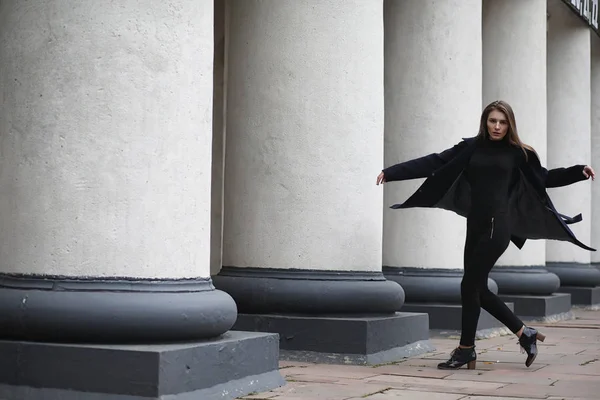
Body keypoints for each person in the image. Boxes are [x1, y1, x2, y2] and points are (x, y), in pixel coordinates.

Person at [376, 100, 596, 370]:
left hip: (498, 228)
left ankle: (483, 344)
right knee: (472, 288)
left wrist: (578, 172)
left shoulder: (519, 154)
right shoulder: (470, 147)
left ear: (509, 125)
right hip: (476, 226)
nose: (497, 126)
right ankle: (493, 341)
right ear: (485, 121)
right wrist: (392, 172)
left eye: (502, 122)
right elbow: (433, 162)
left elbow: (545, 177)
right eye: (493, 121)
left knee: (470, 286)